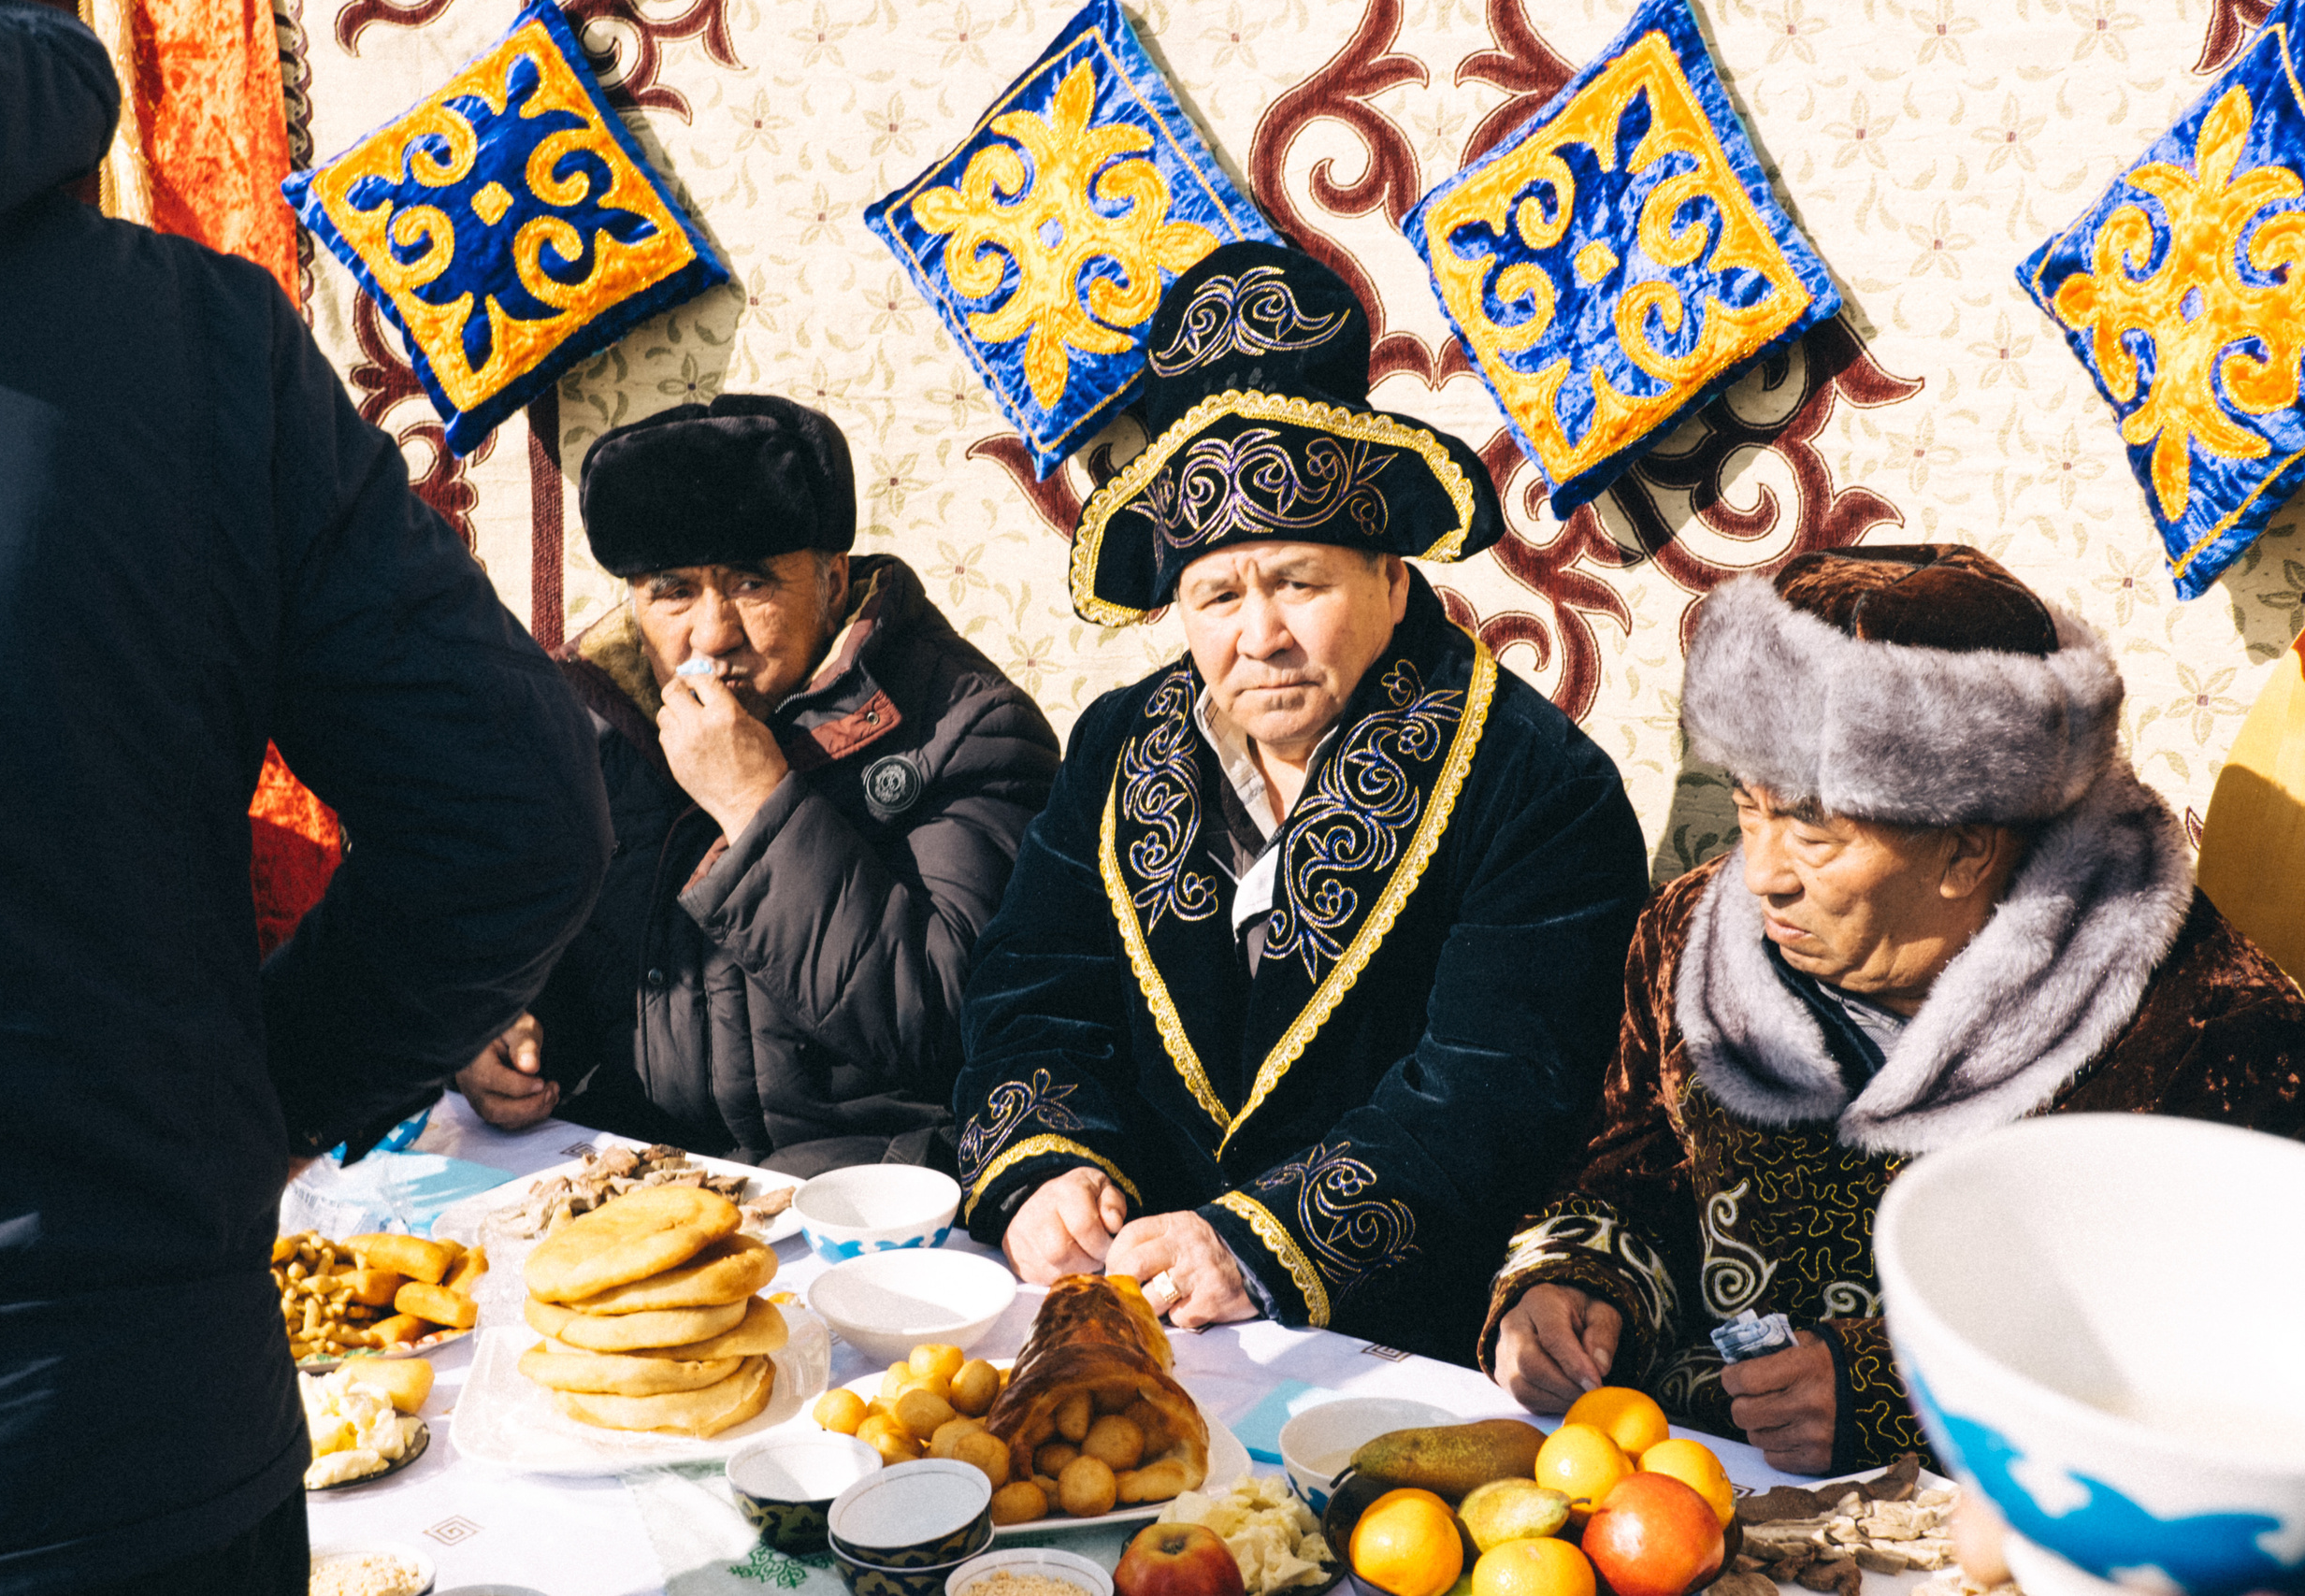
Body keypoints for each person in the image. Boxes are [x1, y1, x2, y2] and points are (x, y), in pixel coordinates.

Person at [0, 5, 613, 1593]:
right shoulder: (186, 341)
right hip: (121, 1422)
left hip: (101, 1408)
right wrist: (262, 1097)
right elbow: (512, 810)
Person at [952, 242, 1650, 1363]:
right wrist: (1047, 1165)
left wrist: (1250, 1244)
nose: (1257, 635)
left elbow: (1497, 1086)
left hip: (1388, 1333)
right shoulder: (1119, 743)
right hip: (1128, 1295)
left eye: (1298, 582)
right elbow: (1035, 987)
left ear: (1390, 576)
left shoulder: (1535, 784)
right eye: (1216, 594)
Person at [1486, 544, 2305, 1474]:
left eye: (1815, 830)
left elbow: (2222, 1350)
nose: (1759, 876)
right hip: (1683, 1491)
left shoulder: (2206, 1032)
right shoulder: (1688, 939)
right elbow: (1634, 1163)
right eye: (1750, 809)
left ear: (1965, 851)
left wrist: (1902, 1390)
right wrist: (1580, 1282)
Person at [453, 395, 1061, 1173]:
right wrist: (504, 1025)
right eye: (670, 591)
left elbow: (956, 1023)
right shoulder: (593, 728)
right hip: (637, 1165)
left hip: (876, 1185)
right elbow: (531, 945)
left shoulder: (966, 726)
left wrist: (756, 804)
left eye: (750, 583)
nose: (710, 636)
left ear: (834, 581)